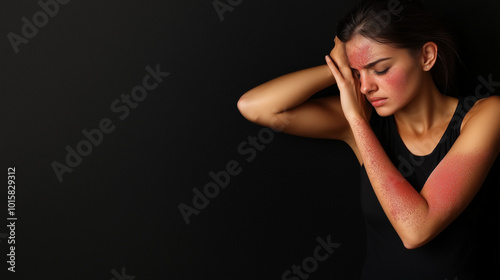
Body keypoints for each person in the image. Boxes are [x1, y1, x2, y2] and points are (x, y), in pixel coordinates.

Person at [236, 0, 500, 279]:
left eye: (380, 69)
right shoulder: (363, 116)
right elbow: (254, 107)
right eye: (356, 73)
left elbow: (416, 229)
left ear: (426, 56)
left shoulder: (486, 116)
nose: (365, 87)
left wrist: (357, 120)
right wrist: (336, 69)